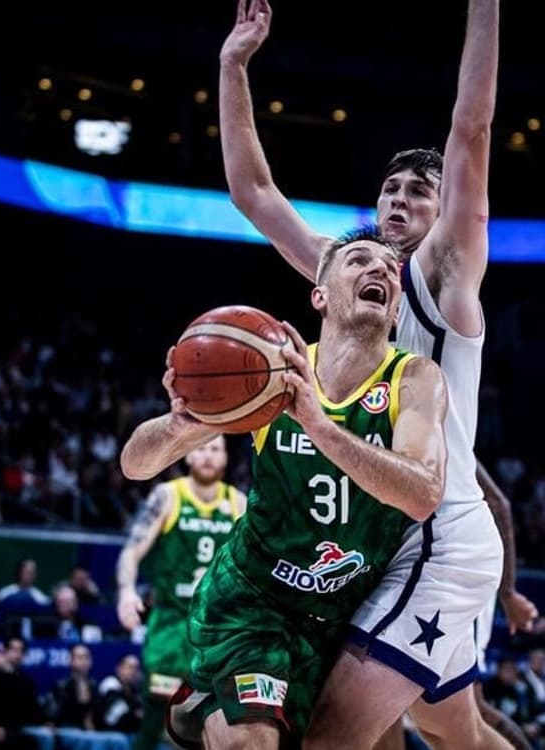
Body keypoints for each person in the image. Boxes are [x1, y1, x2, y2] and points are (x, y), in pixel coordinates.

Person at [218, 0, 535, 746]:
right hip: (382, 535)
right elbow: (254, 194)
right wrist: (233, 65)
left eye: (417, 193)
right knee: (458, 729)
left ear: (443, 212)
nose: (398, 199)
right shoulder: (351, 268)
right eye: (391, 190)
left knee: (334, 732)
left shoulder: (446, 273)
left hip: (438, 535)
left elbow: (472, 128)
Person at [121, 229, 450, 748]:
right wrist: (181, 425)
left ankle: (205, 704)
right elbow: (136, 463)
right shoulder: (273, 374)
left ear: (396, 310)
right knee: (252, 742)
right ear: (320, 296)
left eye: (390, 267)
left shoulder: (415, 378)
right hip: (254, 603)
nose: (380, 270)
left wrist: (319, 425)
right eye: (358, 260)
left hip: (344, 619)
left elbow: (423, 492)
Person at [116, 433, 247, 749]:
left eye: (216, 449)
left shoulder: (238, 503)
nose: (208, 456)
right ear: (188, 456)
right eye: (201, 448)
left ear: (226, 459)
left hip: (217, 629)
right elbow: (132, 551)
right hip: (172, 623)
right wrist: (125, 591)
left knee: (210, 718)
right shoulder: (168, 496)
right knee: (157, 707)